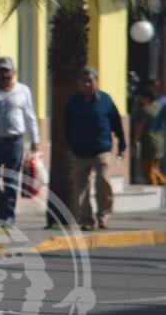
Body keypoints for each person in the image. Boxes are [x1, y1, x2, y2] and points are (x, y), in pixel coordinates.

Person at [65, 67, 125, 231]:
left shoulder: (106, 100)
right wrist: (71, 144)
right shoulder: (74, 101)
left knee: (102, 182)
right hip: (80, 151)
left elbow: (117, 123)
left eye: (90, 81)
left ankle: (103, 215)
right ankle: (86, 219)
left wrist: (122, 144)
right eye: (83, 81)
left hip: (101, 149)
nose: (86, 84)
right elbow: (67, 125)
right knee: (81, 188)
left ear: (96, 83)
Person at [0, 57, 40, 225]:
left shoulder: (22, 91)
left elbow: (30, 116)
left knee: (11, 180)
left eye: (7, 73)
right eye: (1, 72)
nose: (4, 76)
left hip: (14, 141)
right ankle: (0, 209)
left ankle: (8, 214)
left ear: (14, 73)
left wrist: (35, 140)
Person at [133, 87, 166, 186]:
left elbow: (140, 127)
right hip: (160, 142)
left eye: (142, 98)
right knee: (152, 168)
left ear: (147, 98)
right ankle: (160, 185)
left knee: (146, 169)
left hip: (149, 143)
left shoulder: (145, 110)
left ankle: (157, 187)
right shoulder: (160, 107)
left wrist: (134, 140)